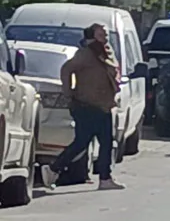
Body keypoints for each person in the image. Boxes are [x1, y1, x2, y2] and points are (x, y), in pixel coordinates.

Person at [43, 24, 125, 191]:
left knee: (106, 143)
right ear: (92, 37)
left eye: (106, 35)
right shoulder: (86, 53)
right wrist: (68, 92)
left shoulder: (105, 53)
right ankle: (53, 168)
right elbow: (67, 69)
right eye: (102, 35)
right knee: (81, 142)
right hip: (87, 105)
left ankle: (105, 178)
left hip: (104, 105)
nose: (106, 38)